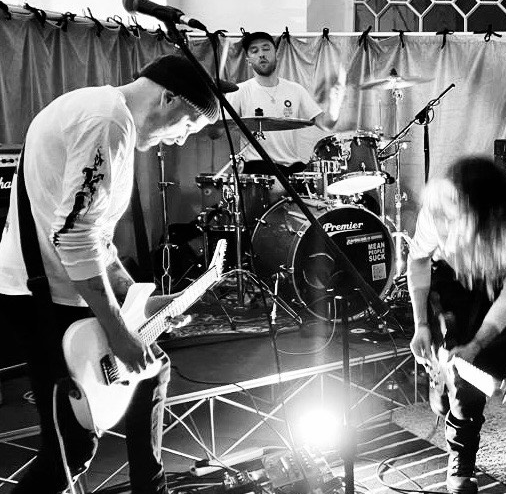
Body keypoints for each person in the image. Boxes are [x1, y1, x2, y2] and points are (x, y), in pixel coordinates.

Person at [0, 54, 221, 494]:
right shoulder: (107, 121)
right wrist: (119, 331)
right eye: (187, 125)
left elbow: (96, 237)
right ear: (168, 97)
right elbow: (75, 239)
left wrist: (136, 299)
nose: (180, 139)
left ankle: (151, 488)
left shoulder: (105, 113)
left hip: (62, 288)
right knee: (70, 449)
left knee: (152, 370)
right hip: (40, 298)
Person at [407, 156, 506, 494]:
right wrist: (421, 324)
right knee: (455, 386)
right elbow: (419, 260)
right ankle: (443, 384)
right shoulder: (438, 209)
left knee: (485, 370)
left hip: (500, 283)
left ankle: (462, 460)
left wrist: (477, 344)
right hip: (451, 278)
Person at [227, 31, 344, 175]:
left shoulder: (295, 90)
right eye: (254, 51)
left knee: (315, 179)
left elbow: (326, 124)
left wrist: (335, 100)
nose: (261, 54)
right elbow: (216, 131)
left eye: (266, 48)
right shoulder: (239, 91)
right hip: (258, 167)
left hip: (291, 166)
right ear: (248, 60)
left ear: (276, 54)